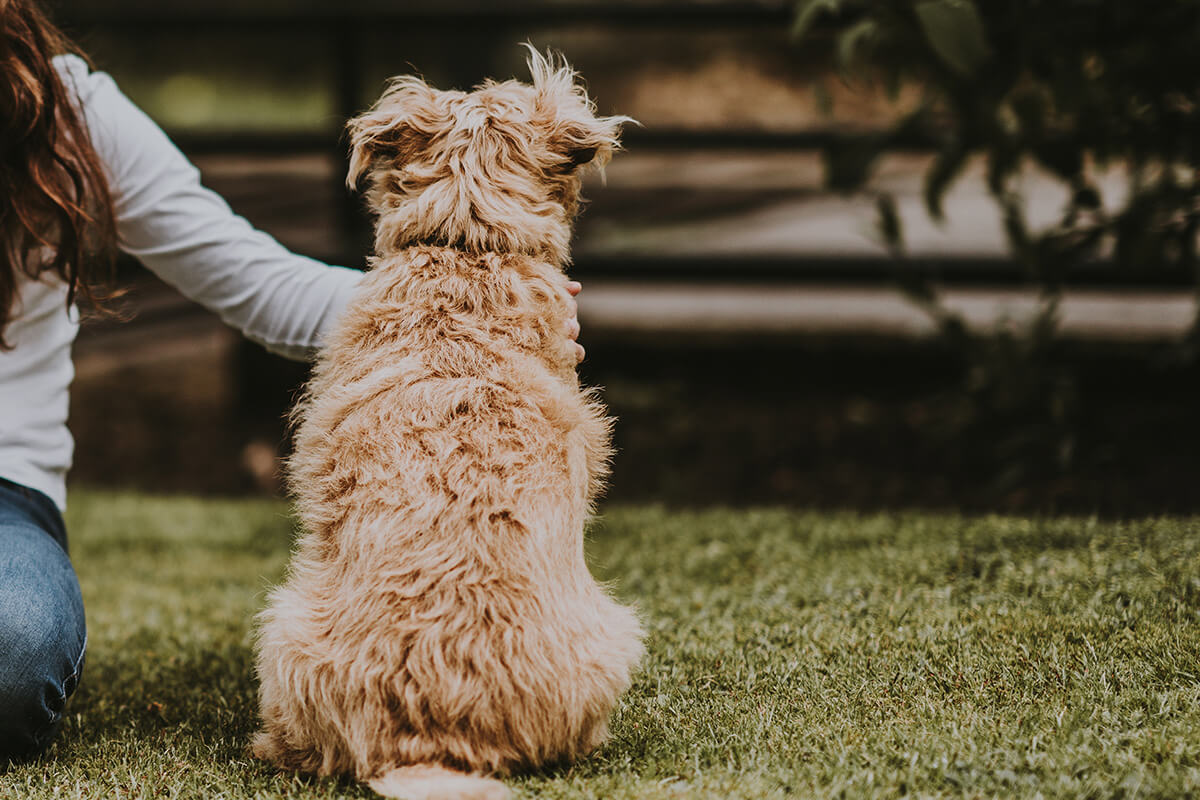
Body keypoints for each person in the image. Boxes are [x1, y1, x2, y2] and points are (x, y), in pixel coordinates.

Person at [0, 0, 584, 760]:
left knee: (14, 652)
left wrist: (468, 303)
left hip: (7, 494)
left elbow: (254, 280)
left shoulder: (62, 113)